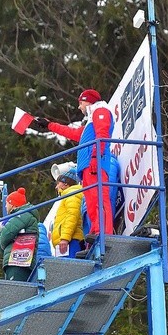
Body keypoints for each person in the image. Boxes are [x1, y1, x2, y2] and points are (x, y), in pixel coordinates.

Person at [32, 89, 115, 240]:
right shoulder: (91, 120)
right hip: (88, 166)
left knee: (98, 199)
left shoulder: (100, 110)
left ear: (88, 101)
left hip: (94, 164)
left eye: (81, 103)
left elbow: (102, 134)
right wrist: (50, 125)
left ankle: (104, 233)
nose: (79, 107)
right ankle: (97, 233)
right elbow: (73, 133)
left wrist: (96, 157)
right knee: (91, 202)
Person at [0, 187, 40, 282]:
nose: (5, 206)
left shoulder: (23, 215)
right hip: (19, 260)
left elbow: (4, 236)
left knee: (16, 292)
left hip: (18, 261)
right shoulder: (25, 216)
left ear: (12, 204)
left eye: (6, 203)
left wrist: (3, 246)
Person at [51, 168, 85, 257]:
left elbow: (72, 216)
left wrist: (65, 238)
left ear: (65, 183)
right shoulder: (69, 196)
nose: (56, 187)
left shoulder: (72, 194)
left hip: (70, 241)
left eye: (58, 183)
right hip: (67, 240)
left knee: (71, 269)